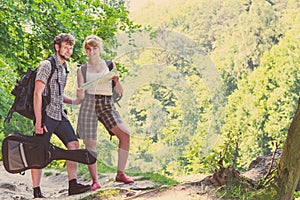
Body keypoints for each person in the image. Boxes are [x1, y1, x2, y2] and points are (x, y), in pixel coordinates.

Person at [32, 33, 91, 198]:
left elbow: (58, 94)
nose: (69, 50)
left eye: (71, 47)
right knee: (39, 151)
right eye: (66, 47)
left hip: (60, 115)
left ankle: (73, 185)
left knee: (73, 145)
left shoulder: (64, 67)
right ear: (57, 47)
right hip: (46, 116)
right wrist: (38, 122)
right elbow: (38, 93)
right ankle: (36, 191)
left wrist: (74, 101)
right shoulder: (46, 65)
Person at [76, 35, 134, 190]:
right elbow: (80, 96)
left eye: (94, 48)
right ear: (85, 51)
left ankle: (120, 173)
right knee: (90, 145)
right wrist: (79, 92)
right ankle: (95, 181)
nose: (92, 51)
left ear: (99, 48)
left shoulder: (109, 64)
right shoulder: (81, 70)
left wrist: (117, 80)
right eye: (88, 48)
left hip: (107, 104)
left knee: (125, 134)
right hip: (88, 105)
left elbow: (120, 92)